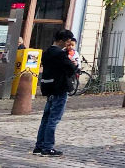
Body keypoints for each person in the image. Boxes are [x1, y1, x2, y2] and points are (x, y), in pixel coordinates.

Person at [34, 29, 79, 157]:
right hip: (59, 87)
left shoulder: (47, 52)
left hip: (48, 86)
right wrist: (74, 65)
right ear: (61, 41)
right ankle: (48, 147)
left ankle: (39, 146)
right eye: (67, 42)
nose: (67, 44)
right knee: (54, 118)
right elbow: (70, 69)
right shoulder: (60, 54)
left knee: (46, 118)